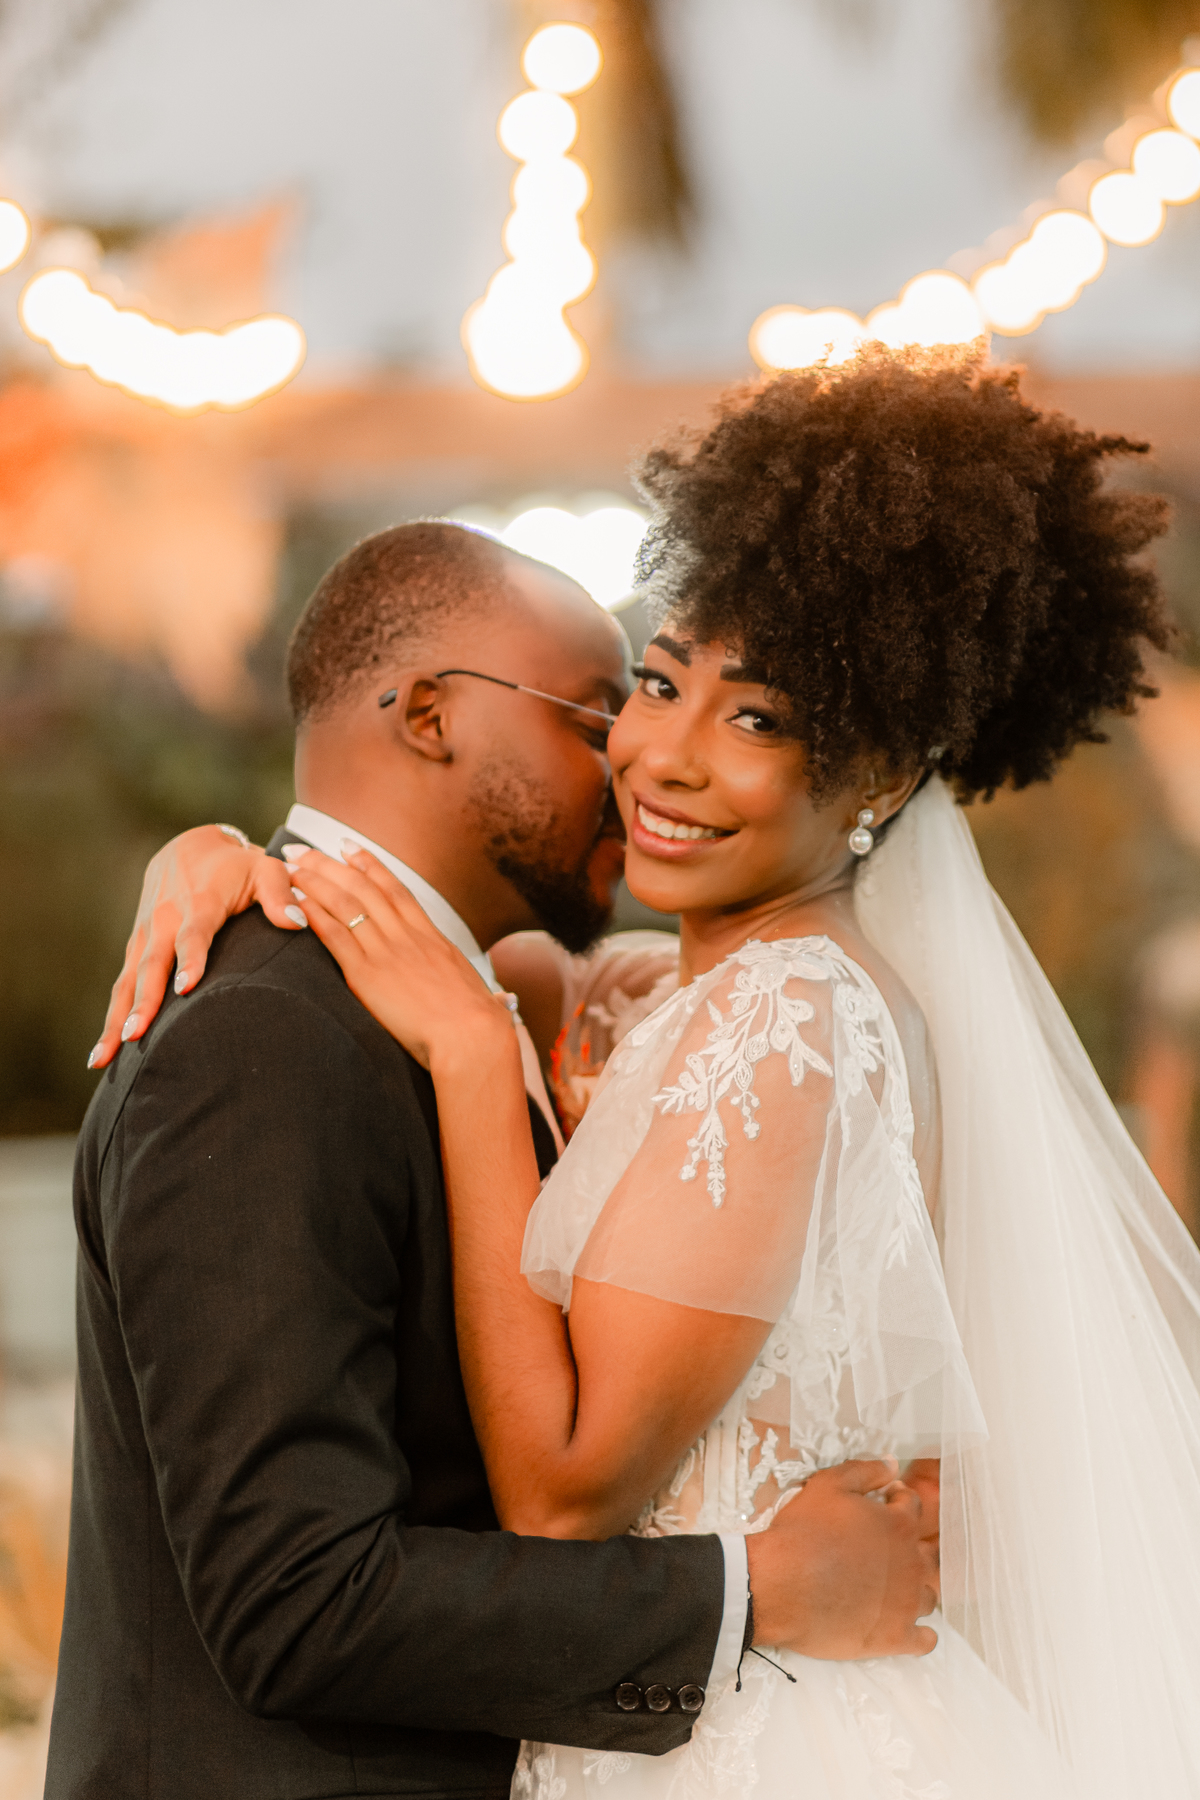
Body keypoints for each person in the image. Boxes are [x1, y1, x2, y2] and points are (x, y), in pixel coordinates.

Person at [104, 348, 1200, 1798]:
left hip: (767, 1737)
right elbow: (463, 956)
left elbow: (563, 1495)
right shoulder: (640, 995)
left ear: (874, 776)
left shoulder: (790, 1014)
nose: (659, 757)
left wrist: (475, 1066)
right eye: (654, 688)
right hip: (653, 1715)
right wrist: (221, 863)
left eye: (758, 721)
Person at [53, 521, 939, 1800]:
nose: (632, 764)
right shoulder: (265, 1036)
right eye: (600, 711)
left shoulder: (536, 1010)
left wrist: (217, 848)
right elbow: (296, 1601)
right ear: (426, 715)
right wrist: (751, 1590)